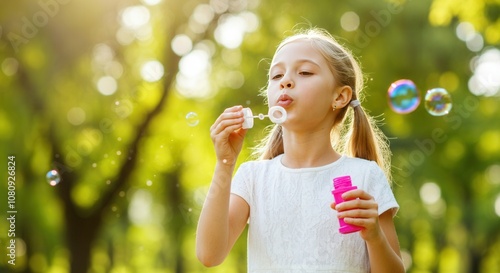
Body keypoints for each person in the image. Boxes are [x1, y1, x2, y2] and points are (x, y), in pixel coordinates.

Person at [196, 28, 405, 273]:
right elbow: (209, 254)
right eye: (276, 76)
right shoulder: (253, 177)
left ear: (339, 96)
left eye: (305, 72)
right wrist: (224, 162)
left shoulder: (365, 176)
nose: (285, 81)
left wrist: (375, 236)